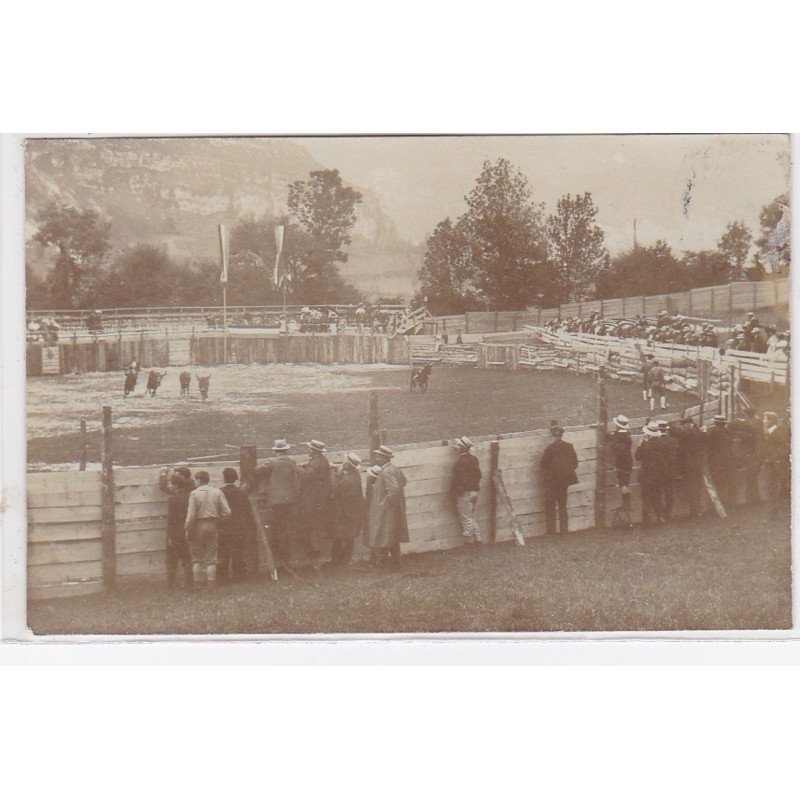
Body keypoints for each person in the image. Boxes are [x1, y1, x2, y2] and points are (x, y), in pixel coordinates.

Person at [251, 439, 299, 567]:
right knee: (285, 527)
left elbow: (257, 471)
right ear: (286, 450)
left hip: (277, 501)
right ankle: (286, 556)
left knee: (278, 528)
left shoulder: (272, 463)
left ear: (276, 451)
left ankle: (280, 557)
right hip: (290, 500)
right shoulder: (291, 462)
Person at [185, 470, 231, 586]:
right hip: (213, 525)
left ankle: (198, 585)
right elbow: (227, 512)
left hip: (198, 526)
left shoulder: (194, 494)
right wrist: (218, 521)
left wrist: (188, 529)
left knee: (197, 557)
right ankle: (211, 585)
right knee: (212, 556)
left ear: (199, 481)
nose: (195, 482)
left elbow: (191, 516)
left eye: (196, 480)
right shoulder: (217, 492)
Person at [366, 445, 409, 570]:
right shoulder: (394, 469)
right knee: (392, 536)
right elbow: (404, 481)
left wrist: (385, 502)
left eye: (379, 456)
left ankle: (384, 563)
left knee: (382, 535)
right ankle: (396, 562)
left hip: (386, 510)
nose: (377, 458)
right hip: (393, 510)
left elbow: (394, 489)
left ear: (384, 458)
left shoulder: (385, 472)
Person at [328, 452, 365, 570]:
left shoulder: (348, 480)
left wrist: (334, 471)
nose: (343, 464)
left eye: (346, 462)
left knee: (339, 538)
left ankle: (337, 563)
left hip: (345, 514)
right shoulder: (354, 475)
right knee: (348, 538)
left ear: (349, 465)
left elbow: (334, 488)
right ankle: (342, 562)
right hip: (352, 513)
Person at [296, 439, 332, 560]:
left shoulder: (316, 462)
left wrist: (296, 468)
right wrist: (306, 465)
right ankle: (314, 550)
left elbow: (307, 476)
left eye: (310, 449)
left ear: (315, 451)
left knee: (309, 524)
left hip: (313, 498)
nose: (308, 450)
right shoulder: (321, 460)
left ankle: (313, 551)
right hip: (319, 498)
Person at [540, 424, 578, 535]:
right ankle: (564, 530)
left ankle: (551, 530)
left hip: (553, 480)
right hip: (565, 480)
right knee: (562, 504)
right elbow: (575, 464)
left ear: (553, 435)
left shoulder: (550, 448)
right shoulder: (569, 446)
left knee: (550, 504)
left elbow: (543, 464)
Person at [218, 467, 254, 583]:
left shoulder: (220, 492)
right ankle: (239, 577)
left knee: (223, 553)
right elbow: (248, 512)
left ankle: (223, 578)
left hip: (224, 527)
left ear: (224, 478)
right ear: (235, 478)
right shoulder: (241, 493)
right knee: (238, 552)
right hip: (239, 527)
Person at [163, 472, 194, 589]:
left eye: (170, 483)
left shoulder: (172, 499)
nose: (169, 486)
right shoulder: (189, 496)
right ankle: (189, 584)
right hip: (187, 531)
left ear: (176, 485)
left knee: (171, 560)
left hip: (175, 533)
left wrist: (170, 537)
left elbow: (171, 519)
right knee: (187, 558)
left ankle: (170, 585)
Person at [450, 436, 482, 545]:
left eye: (458, 446)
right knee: (470, 517)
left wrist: (457, 491)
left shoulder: (461, 462)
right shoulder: (473, 459)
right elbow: (478, 475)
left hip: (465, 493)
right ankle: (478, 539)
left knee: (466, 518)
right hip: (474, 492)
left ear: (462, 448)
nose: (456, 447)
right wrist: (475, 490)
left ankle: (468, 541)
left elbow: (462, 480)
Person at [728, 408, 763, 505]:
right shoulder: (754, 424)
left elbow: (737, 446)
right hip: (752, 454)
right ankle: (753, 499)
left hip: (747, 455)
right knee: (752, 478)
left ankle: (749, 500)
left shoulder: (745, 427)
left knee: (750, 477)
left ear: (747, 414)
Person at [635, 422, 664, 526]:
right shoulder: (661, 443)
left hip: (647, 474)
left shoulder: (646, 445)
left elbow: (637, 456)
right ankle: (659, 517)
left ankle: (647, 521)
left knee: (646, 497)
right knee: (657, 496)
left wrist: (640, 444)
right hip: (658, 474)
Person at [763, 412, 790, 518]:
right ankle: (774, 513)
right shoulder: (772, 432)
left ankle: (775, 514)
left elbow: (783, 449)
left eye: (765, 419)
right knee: (772, 488)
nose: (763, 421)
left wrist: (773, 460)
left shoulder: (777, 433)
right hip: (773, 464)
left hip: (776, 465)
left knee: (774, 488)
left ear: (770, 421)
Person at [677, 417, 705, 518]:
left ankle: (694, 511)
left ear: (687, 424)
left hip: (689, 466)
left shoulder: (686, 434)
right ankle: (698, 510)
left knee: (691, 489)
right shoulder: (698, 431)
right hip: (698, 464)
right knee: (697, 488)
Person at [705, 415, 734, 510]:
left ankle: (716, 507)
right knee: (725, 482)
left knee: (716, 483)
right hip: (727, 460)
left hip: (715, 461)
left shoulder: (712, 430)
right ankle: (727, 504)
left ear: (715, 422)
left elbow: (708, 446)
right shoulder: (728, 431)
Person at [607, 414, 633, 514]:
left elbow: (609, 437)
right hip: (628, 461)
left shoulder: (616, 436)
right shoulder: (627, 435)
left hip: (621, 462)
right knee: (625, 482)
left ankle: (626, 504)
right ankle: (626, 503)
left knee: (623, 483)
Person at [656, 420, 679, 520]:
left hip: (659, 470)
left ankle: (660, 515)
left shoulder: (657, 441)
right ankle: (667, 514)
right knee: (669, 493)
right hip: (670, 470)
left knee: (658, 492)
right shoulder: (673, 441)